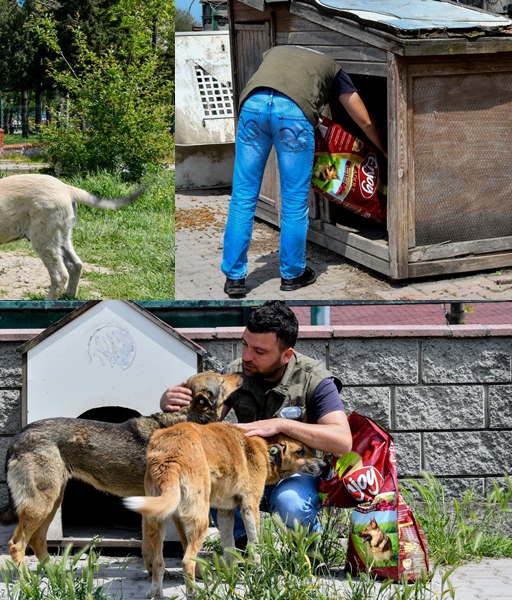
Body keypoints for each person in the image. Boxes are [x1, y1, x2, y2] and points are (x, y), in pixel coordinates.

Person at [160, 300, 351, 549]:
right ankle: (242, 547)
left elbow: (342, 440)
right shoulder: (236, 373)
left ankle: (307, 551)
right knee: (215, 486)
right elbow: (202, 424)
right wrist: (170, 406)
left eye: (260, 352)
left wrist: (281, 426)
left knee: (290, 502)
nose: (247, 356)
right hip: (248, 473)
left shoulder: (314, 379)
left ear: (286, 355)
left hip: (294, 475)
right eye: (245, 344)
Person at [221, 45, 386, 298]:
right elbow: (363, 119)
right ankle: (292, 274)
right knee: (294, 200)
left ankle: (234, 279)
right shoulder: (333, 68)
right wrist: (382, 149)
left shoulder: (274, 51)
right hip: (293, 115)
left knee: (242, 197)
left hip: (252, 106)